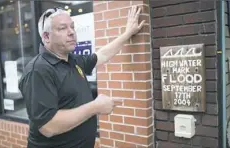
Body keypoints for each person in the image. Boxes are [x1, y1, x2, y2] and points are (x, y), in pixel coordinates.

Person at [18, 5, 145, 148]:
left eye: (72, 27)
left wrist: (127, 33)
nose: (71, 32)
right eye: (62, 28)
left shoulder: (72, 60)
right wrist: (95, 107)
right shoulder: (38, 71)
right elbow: (48, 126)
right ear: (46, 37)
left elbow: (101, 55)